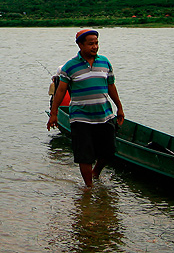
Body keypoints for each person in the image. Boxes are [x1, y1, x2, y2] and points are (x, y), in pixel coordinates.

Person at [46, 28, 124, 188]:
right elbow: (60, 91)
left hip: (105, 116)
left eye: (96, 43)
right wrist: (54, 114)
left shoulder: (105, 62)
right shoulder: (70, 67)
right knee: (84, 156)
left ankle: (95, 172)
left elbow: (111, 87)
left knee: (109, 152)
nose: (94, 47)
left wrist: (120, 108)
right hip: (80, 119)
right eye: (90, 44)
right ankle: (88, 187)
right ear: (80, 45)